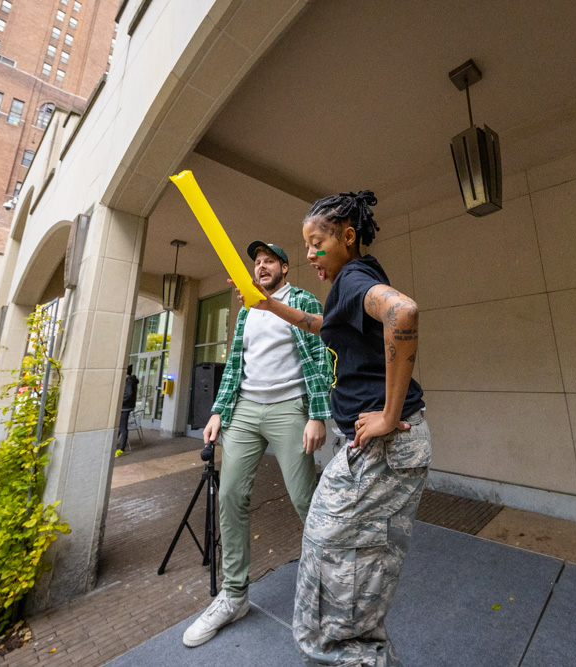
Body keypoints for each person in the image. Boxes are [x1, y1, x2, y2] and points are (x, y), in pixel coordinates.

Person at [245, 191, 429, 666]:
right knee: (331, 554)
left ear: (347, 236)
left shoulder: (352, 278)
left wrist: (388, 415)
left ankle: (352, 654)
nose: (308, 254)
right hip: (371, 447)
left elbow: (402, 312)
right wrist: (271, 306)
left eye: (316, 242)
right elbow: (321, 323)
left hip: (385, 446)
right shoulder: (355, 281)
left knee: (342, 569)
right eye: (304, 246)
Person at [182, 241, 334, 648]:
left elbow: (319, 357)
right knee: (230, 494)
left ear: (285, 267)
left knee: (307, 500)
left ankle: (334, 588)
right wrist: (218, 412)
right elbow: (235, 365)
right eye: (257, 263)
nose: (262, 266)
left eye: (269, 261)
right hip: (246, 409)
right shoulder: (247, 307)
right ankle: (234, 596)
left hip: (289, 408)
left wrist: (317, 414)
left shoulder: (301, 298)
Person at [117, 364, 138, 454]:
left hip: (124, 407)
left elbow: (129, 393)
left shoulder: (128, 381)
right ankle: (115, 443)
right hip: (127, 407)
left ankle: (121, 449)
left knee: (122, 427)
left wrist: (122, 401)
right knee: (119, 426)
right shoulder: (132, 380)